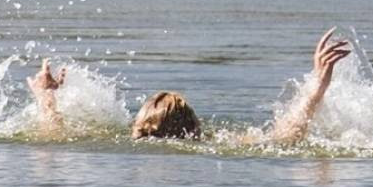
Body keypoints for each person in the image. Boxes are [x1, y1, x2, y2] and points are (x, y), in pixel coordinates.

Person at [27, 28, 351, 144]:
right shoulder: (218, 143)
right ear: (195, 128)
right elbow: (285, 136)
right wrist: (316, 86)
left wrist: (46, 99)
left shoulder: (125, 142)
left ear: (137, 127)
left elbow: (54, 138)